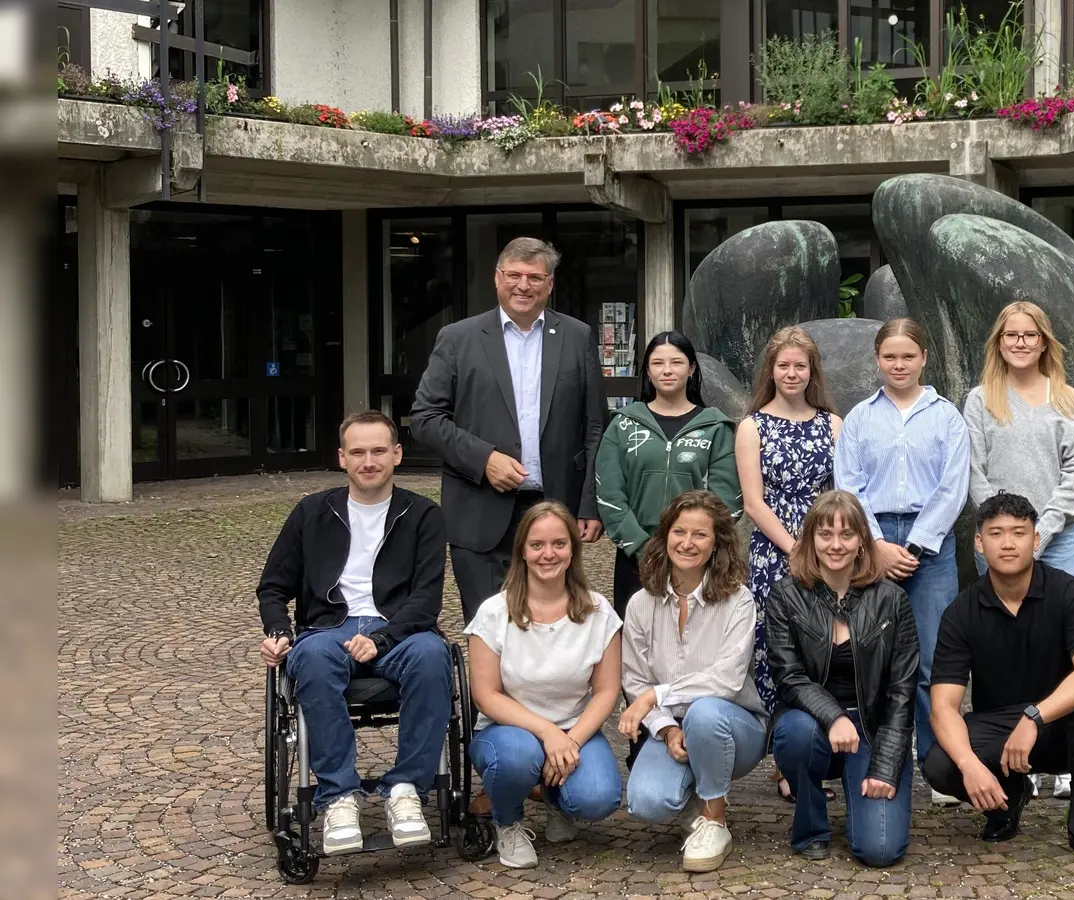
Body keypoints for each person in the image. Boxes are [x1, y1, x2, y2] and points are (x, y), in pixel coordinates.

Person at [256, 410, 450, 856]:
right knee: (311, 658)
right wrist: (277, 630)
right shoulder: (311, 512)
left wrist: (381, 639)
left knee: (432, 657)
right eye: (358, 452)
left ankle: (406, 790)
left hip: (400, 629)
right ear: (342, 458)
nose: (369, 461)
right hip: (328, 627)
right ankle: (339, 796)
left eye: (378, 451)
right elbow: (273, 586)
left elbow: (426, 598)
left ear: (397, 455)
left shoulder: (423, 515)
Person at [410, 237, 605, 627]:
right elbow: (425, 418)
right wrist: (484, 459)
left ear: (550, 284)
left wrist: (588, 505)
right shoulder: (458, 338)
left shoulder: (577, 336)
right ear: (497, 278)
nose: (523, 285)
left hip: (553, 508)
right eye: (514, 274)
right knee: (490, 628)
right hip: (479, 508)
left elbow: (594, 425)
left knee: (553, 625)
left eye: (535, 277)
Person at [922, 492, 1074, 873]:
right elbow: (943, 707)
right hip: (999, 728)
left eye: (1019, 533)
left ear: (1036, 539)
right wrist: (970, 765)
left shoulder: (1068, 593)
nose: (1008, 543)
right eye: (996, 533)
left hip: (1061, 724)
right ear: (979, 543)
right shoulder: (961, 612)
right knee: (941, 762)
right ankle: (1009, 798)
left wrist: (1034, 717)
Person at [962, 301, 1074, 802]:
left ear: (1044, 342)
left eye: (1029, 334)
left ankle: (1059, 757)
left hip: (1056, 542)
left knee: (1059, 648)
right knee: (998, 649)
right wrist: (1003, 529)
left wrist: (1044, 527)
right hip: (997, 544)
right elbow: (972, 469)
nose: (1020, 342)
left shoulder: (1066, 398)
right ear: (999, 342)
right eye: (1010, 335)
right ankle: (1001, 752)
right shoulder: (979, 400)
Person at [834, 317, 969, 805]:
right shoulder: (860, 418)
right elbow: (848, 483)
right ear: (877, 360)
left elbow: (954, 487)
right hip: (870, 543)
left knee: (935, 659)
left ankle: (938, 765)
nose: (898, 364)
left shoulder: (947, 417)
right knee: (870, 654)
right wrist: (875, 545)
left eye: (907, 356)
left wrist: (914, 546)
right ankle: (873, 756)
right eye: (889, 356)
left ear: (923, 359)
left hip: (930, 545)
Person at [464, 501, 624, 869]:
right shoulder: (494, 612)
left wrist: (570, 740)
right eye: (537, 545)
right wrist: (548, 734)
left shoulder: (598, 612)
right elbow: (486, 694)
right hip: (509, 731)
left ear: (573, 549)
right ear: (522, 550)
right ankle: (508, 823)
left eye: (559, 544)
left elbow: (606, 691)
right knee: (519, 758)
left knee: (598, 797)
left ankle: (557, 800)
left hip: (574, 729)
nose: (548, 554)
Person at [617, 491, 768, 873]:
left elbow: (727, 680)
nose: (687, 543)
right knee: (647, 801)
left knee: (703, 713)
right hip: (675, 726)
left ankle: (715, 821)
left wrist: (656, 695)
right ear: (664, 535)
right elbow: (635, 680)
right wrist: (666, 728)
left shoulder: (739, 601)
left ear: (717, 542)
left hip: (735, 726)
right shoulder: (640, 604)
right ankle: (698, 799)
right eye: (679, 531)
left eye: (700, 535)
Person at [766, 491, 918, 867]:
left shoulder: (892, 600)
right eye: (825, 534)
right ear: (810, 540)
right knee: (794, 734)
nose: (836, 545)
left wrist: (885, 766)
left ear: (862, 543)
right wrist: (834, 716)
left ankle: (865, 796)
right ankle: (811, 827)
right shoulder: (786, 596)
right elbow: (789, 677)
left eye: (847, 535)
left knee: (879, 850)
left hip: (872, 729)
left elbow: (902, 692)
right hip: (813, 724)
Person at [734, 326, 843, 802]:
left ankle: (816, 753)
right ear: (771, 371)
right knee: (777, 652)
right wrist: (797, 548)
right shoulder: (751, 426)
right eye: (784, 366)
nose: (792, 373)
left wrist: (824, 548)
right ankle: (786, 761)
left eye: (801, 366)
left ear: (811, 371)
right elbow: (754, 503)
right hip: (774, 553)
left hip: (828, 550)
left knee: (821, 651)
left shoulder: (833, 425)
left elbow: (841, 496)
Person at [595, 331, 742, 619]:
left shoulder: (715, 428)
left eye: (676, 362)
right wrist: (641, 547)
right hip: (635, 557)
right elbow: (609, 492)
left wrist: (695, 542)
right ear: (647, 372)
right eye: (657, 363)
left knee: (695, 640)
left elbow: (728, 499)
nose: (667, 370)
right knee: (635, 644)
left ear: (691, 369)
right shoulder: (623, 425)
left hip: (696, 556)